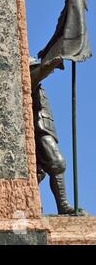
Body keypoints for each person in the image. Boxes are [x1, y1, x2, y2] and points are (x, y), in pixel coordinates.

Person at [30, 57, 83, 215]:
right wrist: (56, 58)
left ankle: (37, 206)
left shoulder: (39, 88)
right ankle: (62, 205)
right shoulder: (30, 79)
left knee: (40, 172)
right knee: (57, 162)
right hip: (39, 130)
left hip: (44, 129)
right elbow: (42, 71)